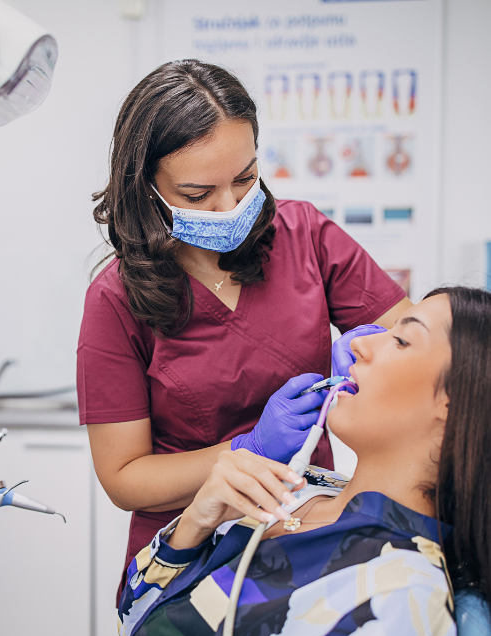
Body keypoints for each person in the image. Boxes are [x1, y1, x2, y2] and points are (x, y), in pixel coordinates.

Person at [0, 285, 491, 636]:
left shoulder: (400, 598)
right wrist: (197, 517)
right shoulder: (297, 489)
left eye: (401, 341)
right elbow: (137, 626)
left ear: (457, 407)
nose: (358, 345)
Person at [77, 58, 411, 601]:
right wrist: (246, 449)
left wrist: (385, 347)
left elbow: (426, 343)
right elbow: (124, 477)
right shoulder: (115, 301)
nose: (230, 207)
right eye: (196, 193)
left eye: (245, 178)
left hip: (308, 523)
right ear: (146, 186)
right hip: (192, 551)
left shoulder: (304, 236)